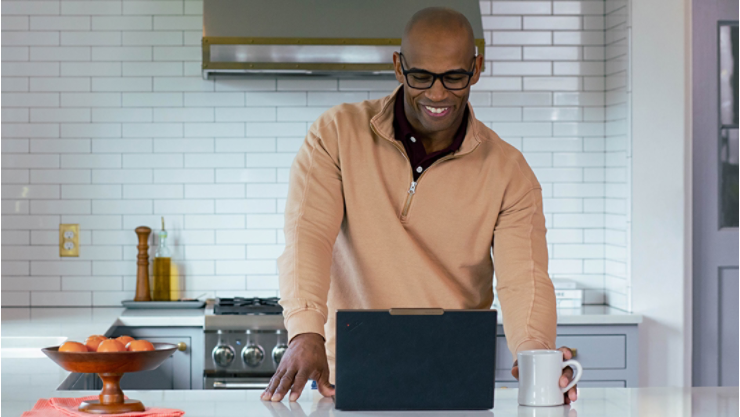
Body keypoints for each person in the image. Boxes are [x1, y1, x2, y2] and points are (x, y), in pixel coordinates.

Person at [261, 6, 579, 405]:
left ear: (476, 69)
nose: (437, 93)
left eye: (454, 77)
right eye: (421, 76)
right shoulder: (336, 135)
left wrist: (534, 351)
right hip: (349, 381)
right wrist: (306, 329)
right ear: (398, 66)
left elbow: (524, 279)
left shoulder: (509, 171)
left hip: (456, 379)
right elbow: (308, 235)